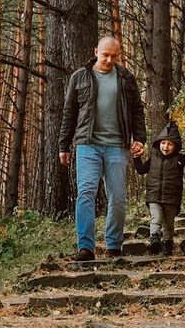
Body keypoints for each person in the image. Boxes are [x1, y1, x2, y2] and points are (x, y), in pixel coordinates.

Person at [58, 35, 146, 262]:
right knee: (86, 193)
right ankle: (85, 247)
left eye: (113, 56)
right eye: (105, 54)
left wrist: (140, 139)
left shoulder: (126, 78)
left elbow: (137, 110)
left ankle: (114, 245)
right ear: (95, 51)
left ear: (119, 55)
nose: (108, 59)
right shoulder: (80, 77)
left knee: (117, 196)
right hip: (87, 145)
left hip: (118, 145)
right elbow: (69, 113)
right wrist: (63, 146)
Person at [133, 120, 185, 255]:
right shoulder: (153, 159)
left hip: (171, 198)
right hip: (154, 196)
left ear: (175, 146)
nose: (166, 147)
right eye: (163, 143)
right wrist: (136, 158)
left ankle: (168, 244)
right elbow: (140, 170)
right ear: (158, 143)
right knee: (155, 218)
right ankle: (154, 239)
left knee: (169, 224)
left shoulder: (179, 159)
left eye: (169, 144)